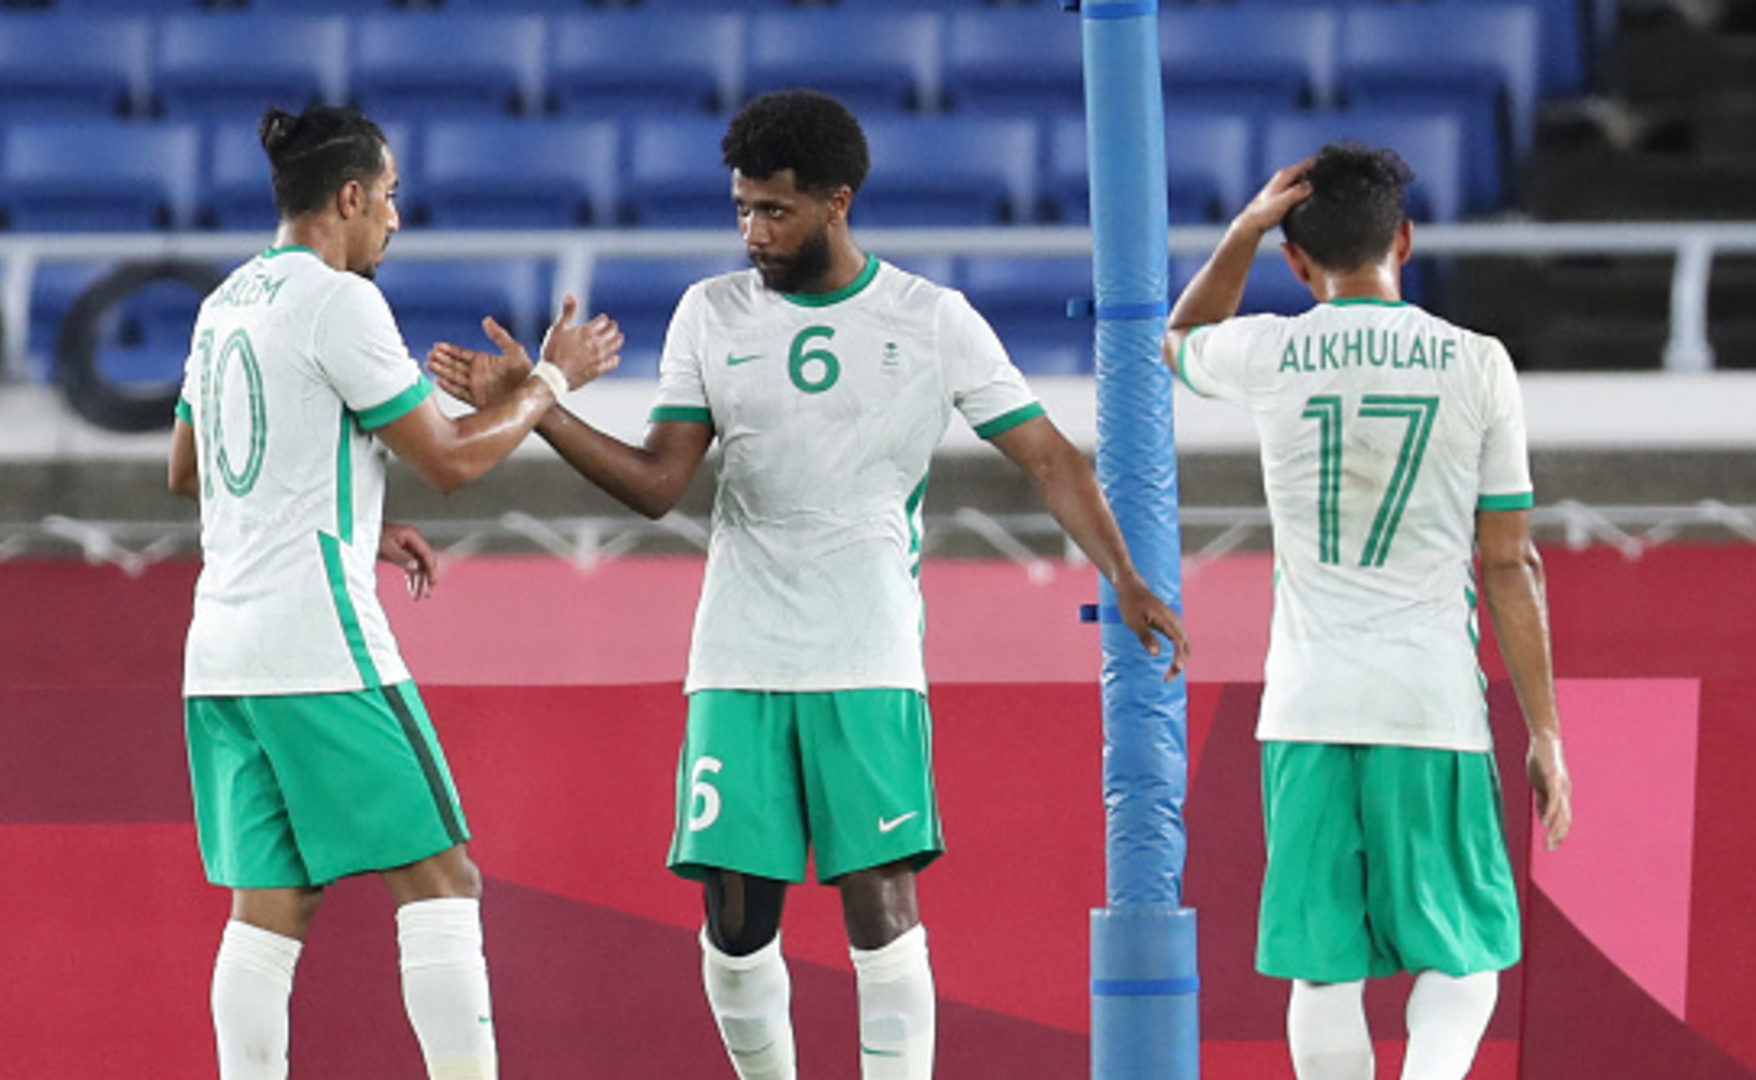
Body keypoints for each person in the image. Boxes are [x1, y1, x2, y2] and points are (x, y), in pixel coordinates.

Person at [428, 88, 1189, 1080]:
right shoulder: (711, 312)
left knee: (880, 903)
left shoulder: (931, 319)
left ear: (838, 201)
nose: (753, 231)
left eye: (775, 210)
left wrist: (1124, 574)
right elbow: (658, 485)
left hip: (866, 653)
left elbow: (1050, 457)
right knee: (736, 921)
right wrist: (542, 404)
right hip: (738, 655)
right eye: (742, 209)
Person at [167, 103, 622, 1080]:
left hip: (221, 657)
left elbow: (190, 469)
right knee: (443, 881)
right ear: (349, 197)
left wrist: (357, 521)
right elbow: (451, 459)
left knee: (269, 908)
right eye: (390, 197)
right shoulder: (340, 302)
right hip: (318, 644)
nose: (396, 220)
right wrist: (549, 382)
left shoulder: (224, 303)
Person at [1162, 144, 1574, 1080]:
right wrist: (1546, 732)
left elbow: (1178, 338)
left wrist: (1243, 231)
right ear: (1406, 240)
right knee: (1462, 956)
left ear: (1295, 261)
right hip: (1429, 705)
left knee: (1323, 968)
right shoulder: (1477, 363)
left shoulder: (1271, 349)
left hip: (1306, 707)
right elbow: (1510, 562)